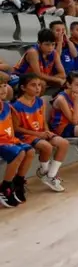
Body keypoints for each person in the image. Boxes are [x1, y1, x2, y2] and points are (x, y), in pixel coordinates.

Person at [12, 73, 69, 192]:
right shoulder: (16, 106)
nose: (38, 88)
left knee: (63, 143)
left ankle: (51, 175)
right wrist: (38, 135)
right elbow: (16, 129)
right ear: (23, 88)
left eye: (39, 85)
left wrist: (47, 130)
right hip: (25, 135)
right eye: (33, 85)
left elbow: (42, 120)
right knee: (46, 146)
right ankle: (43, 171)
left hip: (41, 132)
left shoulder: (39, 101)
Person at [0, 75, 35, 207]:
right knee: (18, 152)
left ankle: (18, 182)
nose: (3, 90)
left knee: (29, 150)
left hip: (8, 140)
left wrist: (13, 140)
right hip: (1, 142)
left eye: (4, 86)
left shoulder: (7, 106)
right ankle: (5, 187)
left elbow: (9, 128)